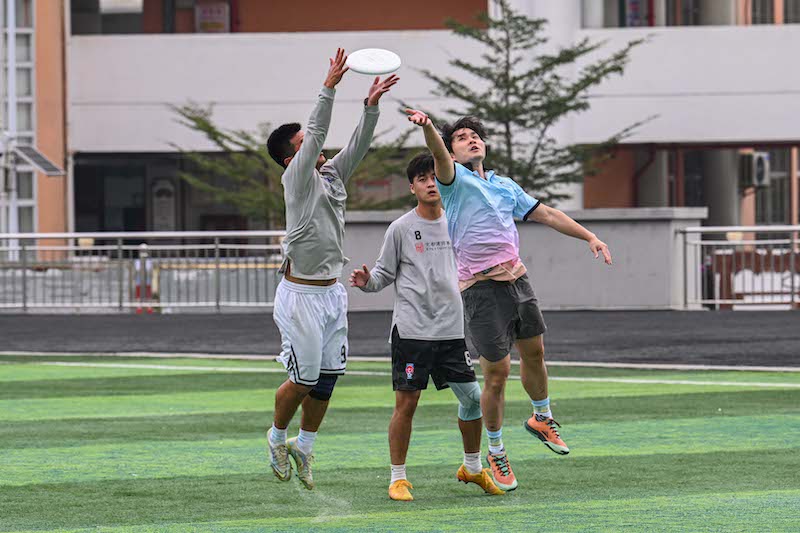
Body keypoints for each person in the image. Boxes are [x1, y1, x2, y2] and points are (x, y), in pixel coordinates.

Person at [404, 108, 613, 491]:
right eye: (461, 137)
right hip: (480, 290)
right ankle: (496, 451)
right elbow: (436, 153)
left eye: (475, 136)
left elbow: (547, 214)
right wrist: (429, 127)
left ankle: (541, 418)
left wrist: (590, 237)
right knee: (497, 375)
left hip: (518, 280)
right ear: (451, 152)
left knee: (535, 353)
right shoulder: (453, 180)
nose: (471, 139)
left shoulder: (504, 185)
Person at [265, 48, 398, 490]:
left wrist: (370, 107)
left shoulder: (330, 175)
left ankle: (304, 446)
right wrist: (328, 88)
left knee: (326, 379)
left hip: (331, 293)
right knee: (302, 379)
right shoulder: (295, 179)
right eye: (305, 144)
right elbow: (318, 129)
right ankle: (276, 437)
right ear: (292, 159)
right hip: (300, 295)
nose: (317, 145)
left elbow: (358, 146)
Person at [349, 152, 503, 501]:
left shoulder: (459, 221)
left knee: (473, 399)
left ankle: (473, 467)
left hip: (452, 331)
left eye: (435, 177)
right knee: (407, 404)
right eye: (423, 179)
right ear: (412, 187)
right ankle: (398, 478)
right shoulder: (401, 228)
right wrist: (367, 282)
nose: (431, 183)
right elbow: (383, 274)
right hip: (412, 331)